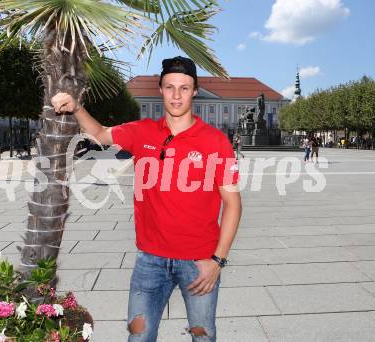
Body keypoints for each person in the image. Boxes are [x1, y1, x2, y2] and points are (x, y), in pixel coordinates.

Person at [51, 56, 242, 342]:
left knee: (203, 336)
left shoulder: (215, 141)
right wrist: (77, 107)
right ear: (160, 90)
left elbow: (233, 204)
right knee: (138, 336)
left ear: (195, 91)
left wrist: (218, 260)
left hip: (199, 261)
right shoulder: (142, 132)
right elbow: (102, 134)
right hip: (150, 262)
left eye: (184, 88)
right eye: (170, 87)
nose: (177, 95)